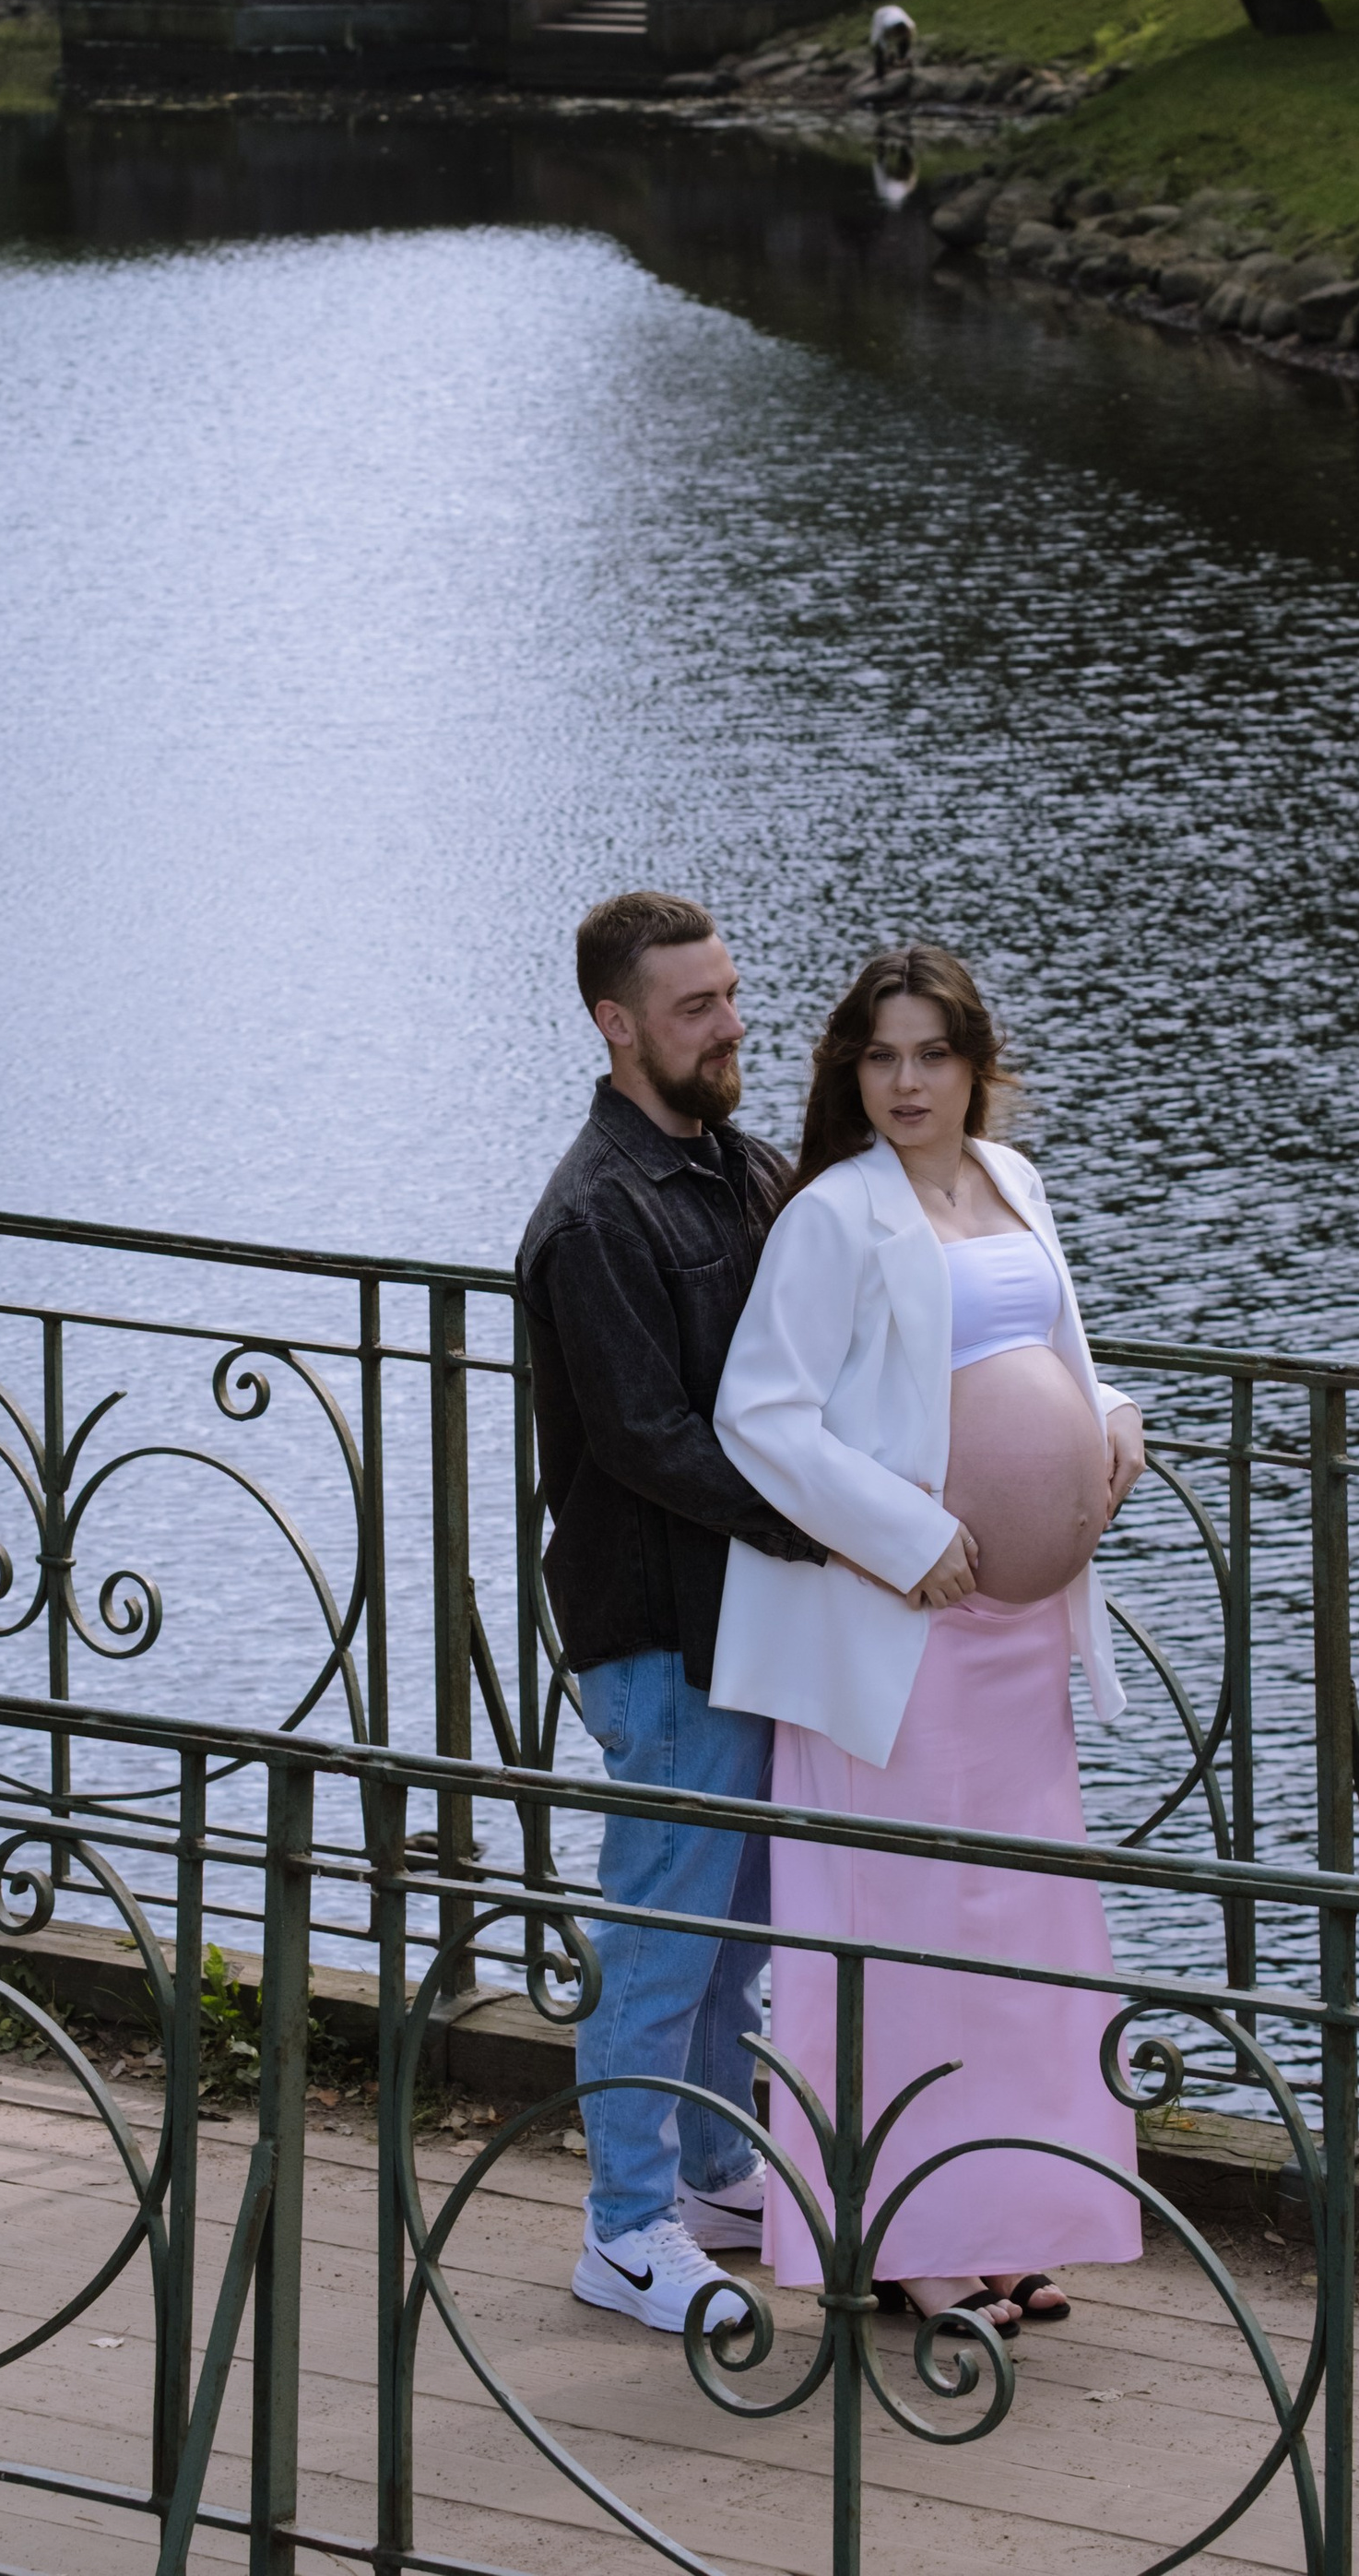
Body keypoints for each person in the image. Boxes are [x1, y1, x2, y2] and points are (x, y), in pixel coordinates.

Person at [710, 944, 1148, 2340]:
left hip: (1019, 1642)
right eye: (880, 1058)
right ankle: (902, 2240)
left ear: (975, 1066)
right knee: (897, 1936)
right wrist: (903, 1536)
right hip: (901, 1634)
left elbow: (1037, 1340)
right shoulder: (832, 1215)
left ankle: (1009, 2218)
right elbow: (761, 1418)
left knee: (1018, 1934)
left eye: (931, 1057)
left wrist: (1106, 1417)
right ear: (852, 1070)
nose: (906, 1084)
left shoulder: (1011, 1185)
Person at [517, 892, 829, 2339]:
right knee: (662, 1926)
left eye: (731, 993)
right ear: (616, 1024)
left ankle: (713, 2172)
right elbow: (644, 1436)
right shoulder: (595, 1215)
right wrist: (831, 1522)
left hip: (744, 1615)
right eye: (696, 1006)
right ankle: (622, 2228)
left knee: (736, 1921)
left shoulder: (735, 1167)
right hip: (659, 1630)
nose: (730, 1023)